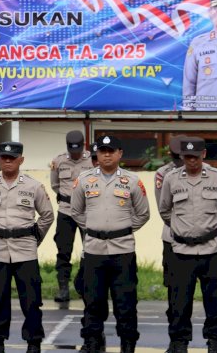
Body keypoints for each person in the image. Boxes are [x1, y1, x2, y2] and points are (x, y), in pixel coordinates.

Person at [71, 134, 150, 353]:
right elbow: (76, 211)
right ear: (97, 153)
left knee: (125, 303)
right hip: (94, 249)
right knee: (93, 302)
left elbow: (143, 214)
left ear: (120, 154)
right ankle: (93, 342)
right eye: (103, 151)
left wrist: (121, 230)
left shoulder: (132, 181)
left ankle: (127, 344)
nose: (106, 155)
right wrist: (94, 228)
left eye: (111, 151)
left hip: (123, 250)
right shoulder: (84, 180)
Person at [0, 141, 54, 353]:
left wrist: (34, 238)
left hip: (25, 251)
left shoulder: (33, 186)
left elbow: (47, 215)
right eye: (4, 157)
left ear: (21, 160)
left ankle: (33, 341)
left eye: (12, 158)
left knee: (31, 300)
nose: (7, 161)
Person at [159, 137, 217, 353]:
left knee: (216, 301)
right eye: (187, 157)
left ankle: (215, 340)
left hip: (211, 249)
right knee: (179, 301)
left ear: (203, 155)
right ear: (182, 157)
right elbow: (164, 209)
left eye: (195, 156)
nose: (191, 161)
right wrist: (181, 228)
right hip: (181, 251)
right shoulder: (171, 179)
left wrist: (209, 227)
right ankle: (179, 342)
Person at [49, 130, 91, 303]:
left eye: (78, 150)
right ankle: (63, 288)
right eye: (72, 150)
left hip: (87, 212)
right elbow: (55, 185)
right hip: (65, 211)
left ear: (83, 146)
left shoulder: (92, 160)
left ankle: (85, 286)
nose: (75, 154)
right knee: (63, 250)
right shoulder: (58, 161)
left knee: (90, 250)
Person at [154, 135, 187, 320]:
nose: (180, 162)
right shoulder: (163, 174)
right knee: (173, 282)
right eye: (176, 158)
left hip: (200, 239)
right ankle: (173, 314)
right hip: (172, 235)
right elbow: (163, 207)